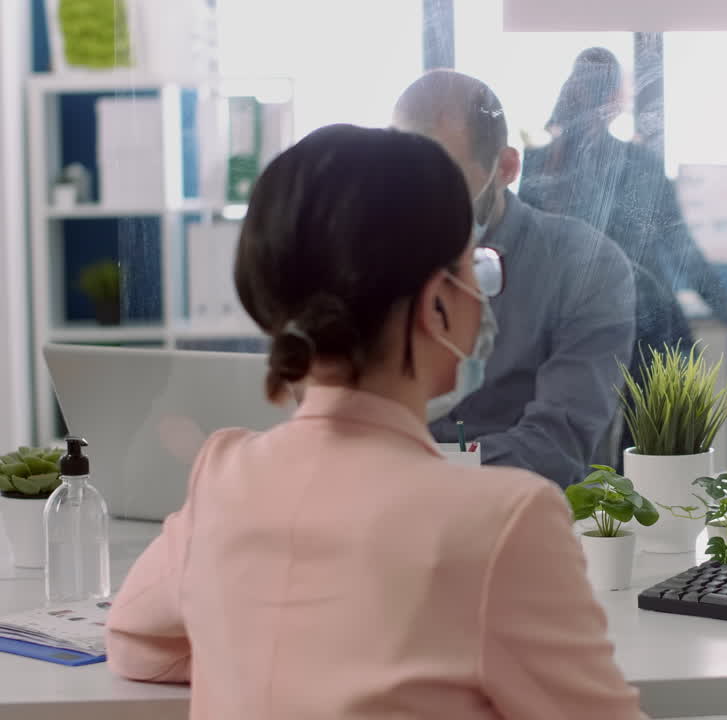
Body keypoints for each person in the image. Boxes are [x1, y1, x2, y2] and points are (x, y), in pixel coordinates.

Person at [103, 125, 647, 718]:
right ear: (438, 301)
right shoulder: (505, 522)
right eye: (476, 266)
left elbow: (134, 642)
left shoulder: (223, 476)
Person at [391, 69, 637, 487]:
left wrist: (418, 475)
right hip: (390, 510)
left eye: (444, 181)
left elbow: (558, 447)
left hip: (523, 513)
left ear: (506, 168)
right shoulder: (377, 258)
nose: (422, 204)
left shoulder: (584, 265)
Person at [519, 47, 727, 325]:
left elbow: (525, 258)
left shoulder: (537, 164)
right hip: (640, 319)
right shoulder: (638, 163)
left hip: (565, 323)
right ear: (615, 100)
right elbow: (679, 246)